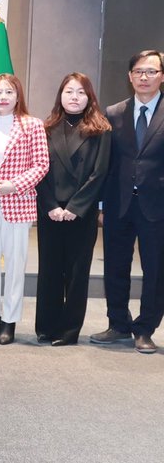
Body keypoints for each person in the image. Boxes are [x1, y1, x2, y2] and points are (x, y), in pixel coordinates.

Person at [93, 50, 164, 354]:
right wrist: (100, 206)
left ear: (161, 76)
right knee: (115, 267)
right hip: (118, 203)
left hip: (157, 206)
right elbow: (105, 163)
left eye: (150, 71)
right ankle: (118, 323)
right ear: (130, 76)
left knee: (156, 270)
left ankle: (145, 327)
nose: (144, 77)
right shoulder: (113, 112)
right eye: (138, 71)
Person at [0, 73, 48, 345]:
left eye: (9, 92)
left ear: (18, 96)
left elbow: (41, 165)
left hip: (18, 203)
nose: (3, 98)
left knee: (16, 265)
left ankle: (9, 321)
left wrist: (14, 185)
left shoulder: (33, 126)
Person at [35, 72, 110, 347]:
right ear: (61, 96)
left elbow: (99, 173)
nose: (74, 97)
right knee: (50, 269)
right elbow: (39, 172)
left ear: (89, 97)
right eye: (69, 91)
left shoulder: (101, 130)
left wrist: (75, 207)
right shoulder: (45, 128)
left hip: (81, 211)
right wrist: (51, 206)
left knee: (77, 273)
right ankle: (46, 325)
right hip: (51, 211)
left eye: (80, 92)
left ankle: (69, 331)